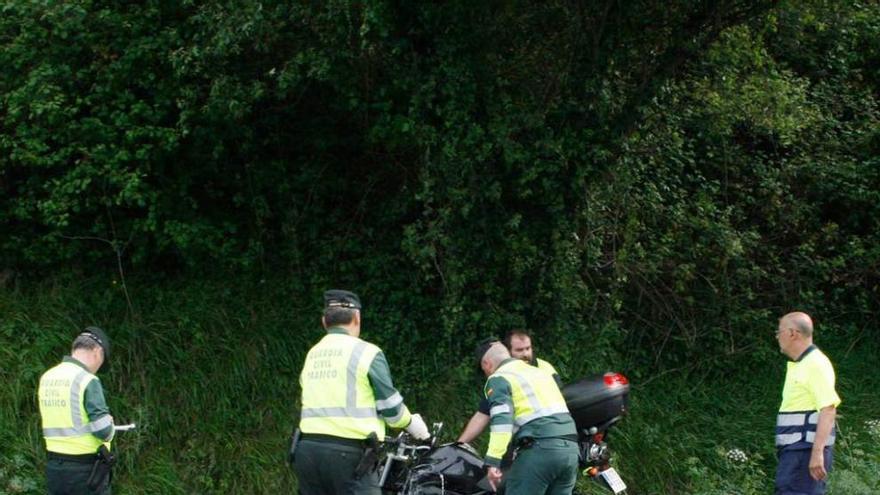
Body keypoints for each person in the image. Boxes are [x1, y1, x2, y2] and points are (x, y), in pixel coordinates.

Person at [293, 290, 430, 495]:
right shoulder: (366, 352)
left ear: (324, 321)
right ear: (357, 318)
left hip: (307, 452)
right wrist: (412, 424)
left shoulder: (312, 354)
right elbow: (392, 410)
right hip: (348, 456)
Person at [475, 340, 578, 494]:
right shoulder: (539, 372)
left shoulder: (499, 377)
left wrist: (493, 461)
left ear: (486, 363)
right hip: (570, 450)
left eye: (483, 369)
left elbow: (502, 421)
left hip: (540, 450)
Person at [38, 327, 116, 495]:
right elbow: (103, 431)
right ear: (97, 351)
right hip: (86, 473)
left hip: (55, 470)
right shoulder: (87, 379)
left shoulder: (47, 377)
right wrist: (110, 425)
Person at [774, 312, 841, 495]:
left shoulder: (815, 364)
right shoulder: (803, 364)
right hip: (796, 451)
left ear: (792, 333)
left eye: (779, 332)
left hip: (804, 451)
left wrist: (817, 453)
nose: (777, 337)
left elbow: (828, 409)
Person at [458, 330, 562, 444]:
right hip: (529, 436)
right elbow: (483, 414)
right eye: (519, 350)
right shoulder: (504, 376)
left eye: (528, 348)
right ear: (507, 352)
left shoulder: (546, 369)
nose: (525, 354)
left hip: (545, 435)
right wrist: (459, 444)